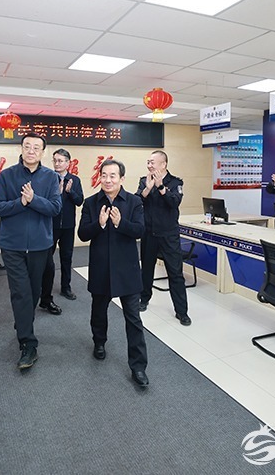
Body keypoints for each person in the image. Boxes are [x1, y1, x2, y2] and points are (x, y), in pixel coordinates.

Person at [0, 133, 61, 369]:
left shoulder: (50, 177)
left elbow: (55, 208)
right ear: (21, 149)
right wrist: (20, 203)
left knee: (34, 291)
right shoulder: (7, 175)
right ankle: (28, 344)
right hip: (12, 246)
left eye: (36, 147)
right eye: (27, 146)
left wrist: (33, 199)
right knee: (20, 292)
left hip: (40, 246)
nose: (31, 151)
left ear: (43, 152)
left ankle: (23, 321)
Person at [78, 159, 149, 387]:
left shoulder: (134, 202)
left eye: (112, 176)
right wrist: (99, 224)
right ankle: (99, 342)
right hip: (101, 268)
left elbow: (140, 230)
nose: (108, 180)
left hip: (127, 270)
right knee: (98, 312)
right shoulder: (91, 203)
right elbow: (82, 234)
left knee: (134, 319)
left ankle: (138, 366)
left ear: (121, 178)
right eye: (104, 175)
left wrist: (121, 223)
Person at [136, 150, 191, 326]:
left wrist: (160, 187)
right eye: (148, 162)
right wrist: (147, 188)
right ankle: (144, 299)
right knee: (146, 270)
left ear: (164, 164)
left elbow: (174, 202)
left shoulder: (176, 182)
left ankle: (181, 311)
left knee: (175, 273)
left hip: (169, 235)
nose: (149, 165)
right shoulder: (144, 181)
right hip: (148, 233)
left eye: (152, 162)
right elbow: (136, 202)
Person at [41, 148, 83, 304]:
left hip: (68, 226)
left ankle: (66, 287)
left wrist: (70, 192)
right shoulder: (48, 178)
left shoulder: (75, 180)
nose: (57, 164)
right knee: (46, 259)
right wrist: (57, 194)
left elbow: (79, 201)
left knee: (66, 258)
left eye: (60, 161)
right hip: (50, 225)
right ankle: (44, 288)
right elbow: (42, 201)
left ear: (68, 163)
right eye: (55, 160)